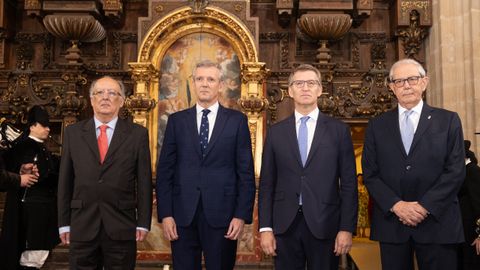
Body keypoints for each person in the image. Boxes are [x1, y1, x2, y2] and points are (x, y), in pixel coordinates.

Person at [362, 58, 465, 270]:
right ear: (391, 87)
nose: (406, 85)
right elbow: (371, 174)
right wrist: (397, 205)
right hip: (393, 223)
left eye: (412, 79)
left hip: (438, 221)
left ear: (424, 82)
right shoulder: (376, 126)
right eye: (399, 81)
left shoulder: (448, 121)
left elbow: (455, 171)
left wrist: (424, 206)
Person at [156, 60, 255, 270]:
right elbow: (165, 172)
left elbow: (245, 173)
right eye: (199, 79)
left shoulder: (237, 121)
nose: (204, 84)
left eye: (211, 79)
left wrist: (240, 215)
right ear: (193, 83)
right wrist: (165, 214)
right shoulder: (177, 121)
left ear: (220, 85)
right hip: (182, 216)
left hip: (224, 217)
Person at [258, 64, 358, 270]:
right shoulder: (276, 133)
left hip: (325, 224)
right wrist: (265, 227)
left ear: (320, 90)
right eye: (299, 83)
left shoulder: (338, 131)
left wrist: (346, 228)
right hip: (284, 225)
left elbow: (349, 184)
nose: (305, 88)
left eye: (311, 83)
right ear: (290, 90)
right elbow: (267, 183)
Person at [57, 76, 153, 269]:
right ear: (92, 99)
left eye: (112, 93)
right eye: (99, 93)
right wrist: (63, 223)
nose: (105, 97)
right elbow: (65, 181)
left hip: (121, 225)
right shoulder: (73, 133)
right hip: (82, 223)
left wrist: (143, 222)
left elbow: (143, 182)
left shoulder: (137, 134)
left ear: (122, 101)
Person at [0, 105, 59, 270]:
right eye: (43, 125)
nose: (48, 128)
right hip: (29, 212)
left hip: (42, 211)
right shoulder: (23, 146)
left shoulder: (40, 147)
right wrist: (20, 174)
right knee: (30, 257)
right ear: (32, 126)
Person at [458, 140, 480, 269]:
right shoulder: (462, 172)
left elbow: (479, 204)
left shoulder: (472, 171)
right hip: (463, 233)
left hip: (472, 233)